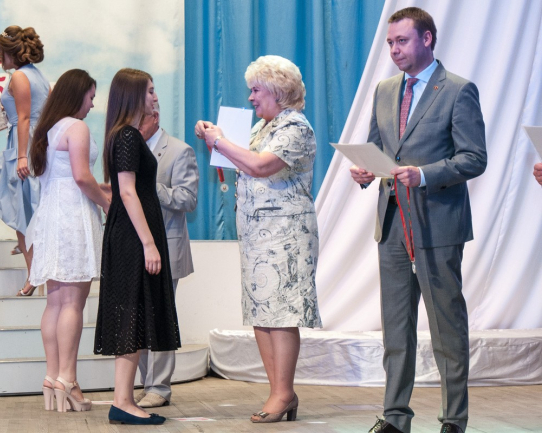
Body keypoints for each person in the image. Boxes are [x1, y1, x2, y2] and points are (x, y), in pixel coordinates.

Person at [349, 7, 487, 433]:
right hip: (392, 222)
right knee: (396, 327)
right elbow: (377, 149)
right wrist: (366, 172)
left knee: (447, 328)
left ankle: (454, 419)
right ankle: (395, 418)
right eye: (390, 43)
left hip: (437, 223)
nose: (394, 50)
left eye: (402, 41)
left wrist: (424, 174)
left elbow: (474, 158)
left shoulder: (458, 90)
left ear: (427, 39)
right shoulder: (385, 90)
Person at [195, 55, 322, 424]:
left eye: (255, 90)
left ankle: (283, 392)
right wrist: (214, 138)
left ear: (278, 91)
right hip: (257, 235)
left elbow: (261, 165)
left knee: (281, 314)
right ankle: (279, 391)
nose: (250, 97)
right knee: (262, 313)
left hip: (285, 235)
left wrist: (221, 141)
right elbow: (240, 162)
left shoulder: (295, 127)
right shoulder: (264, 127)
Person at [94, 68, 180, 426]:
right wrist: (149, 243)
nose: (155, 97)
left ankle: (124, 400)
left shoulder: (125, 134)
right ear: (133, 95)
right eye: (150, 91)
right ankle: (123, 402)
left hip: (130, 234)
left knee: (135, 313)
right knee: (132, 313)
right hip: (132, 237)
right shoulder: (127, 136)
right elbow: (127, 192)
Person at [26, 69, 110, 413]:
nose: (92, 104)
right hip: (73, 217)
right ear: (78, 95)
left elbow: (65, 176)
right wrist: (107, 203)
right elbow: (81, 177)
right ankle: (68, 379)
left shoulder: (47, 129)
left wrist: (101, 190)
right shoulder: (77, 127)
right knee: (73, 303)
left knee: (56, 303)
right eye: (91, 97)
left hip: (50, 218)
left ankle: (52, 377)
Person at [0, 26, 50, 296]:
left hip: (23, 144)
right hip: (31, 141)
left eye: (0, 53)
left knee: (20, 209)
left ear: (10, 53)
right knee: (18, 200)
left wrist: (21, 156)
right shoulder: (37, 75)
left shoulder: (19, 76)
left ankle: (33, 273)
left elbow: (25, 118)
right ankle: (30, 246)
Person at [135, 101, 198, 408]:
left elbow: (188, 199)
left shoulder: (179, 150)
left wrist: (150, 187)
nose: (132, 128)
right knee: (139, 318)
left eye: (137, 120)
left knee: (159, 317)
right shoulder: (131, 150)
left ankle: (159, 387)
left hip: (166, 246)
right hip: (135, 247)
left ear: (154, 117)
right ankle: (147, 382)